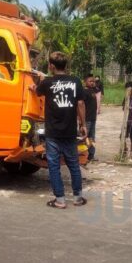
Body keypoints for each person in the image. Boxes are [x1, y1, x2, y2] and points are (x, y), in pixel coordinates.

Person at [34, 52, 88, 209]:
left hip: (53, 133)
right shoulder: (75, 81)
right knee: (73, 165)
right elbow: (80, 104)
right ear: (66, 65)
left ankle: (60, 200)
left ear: (51, 66)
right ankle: (78, 198)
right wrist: (83, 124)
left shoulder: (47, 83)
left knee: (54, 166)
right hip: (70, 132)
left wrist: (35, 84)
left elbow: (36, 90)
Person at [83, 74, 100, 161]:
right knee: (84, 137)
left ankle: (91, 155)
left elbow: (98, 89)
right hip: (86, 119)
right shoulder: (84, 92)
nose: (92, 83)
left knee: (92, 138)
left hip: (93, 118)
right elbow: (80, 105)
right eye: (90, 81)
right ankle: (83, 156)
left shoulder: (93, 90)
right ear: (85, 82)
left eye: (93, 81)